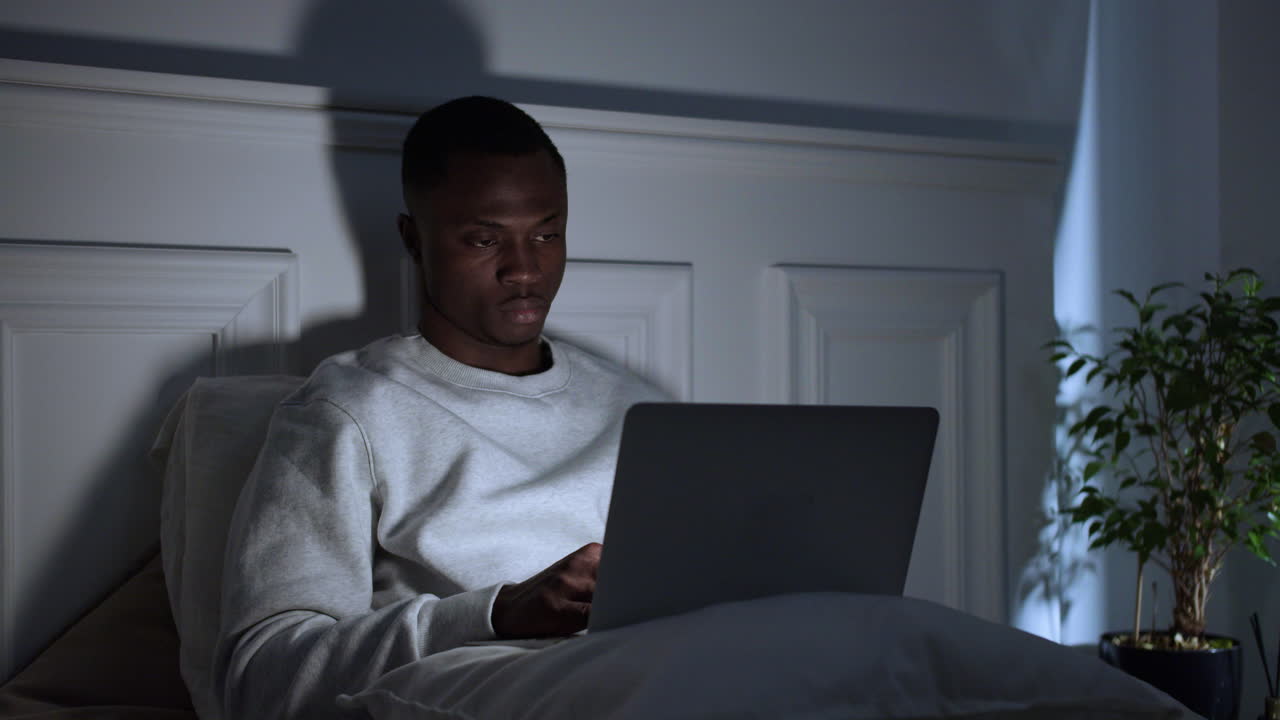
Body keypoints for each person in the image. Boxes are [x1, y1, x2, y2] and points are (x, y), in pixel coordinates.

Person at [213, 96, 668, 720]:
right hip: (500, 690)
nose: (524, 269)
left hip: (671, 664)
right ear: (413, 239)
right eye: (485, 239)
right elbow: (261, 678)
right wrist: (496, 612)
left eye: (547, 234)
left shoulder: (639, 404)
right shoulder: (347, 412)